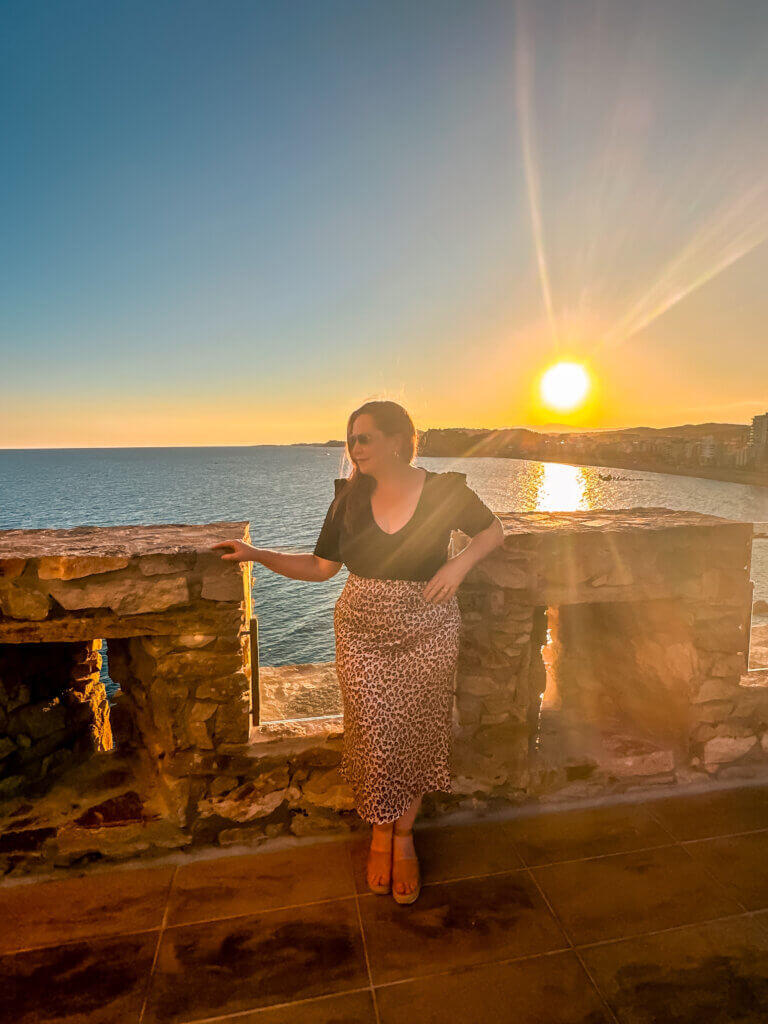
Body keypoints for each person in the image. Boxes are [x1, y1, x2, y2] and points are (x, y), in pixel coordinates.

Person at [211, 400, 504, 904]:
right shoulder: (348, 498)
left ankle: (404, 836)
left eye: (364, 438)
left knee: (416, 733)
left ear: (398, 440)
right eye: (351, 440)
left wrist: (457, 565)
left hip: (428, 629)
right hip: (361, 632)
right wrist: (256, 555)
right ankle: (380, 833)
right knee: (373, 735)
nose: (355, 448)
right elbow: (321, 568)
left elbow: (494, 530)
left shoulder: (444, 490)